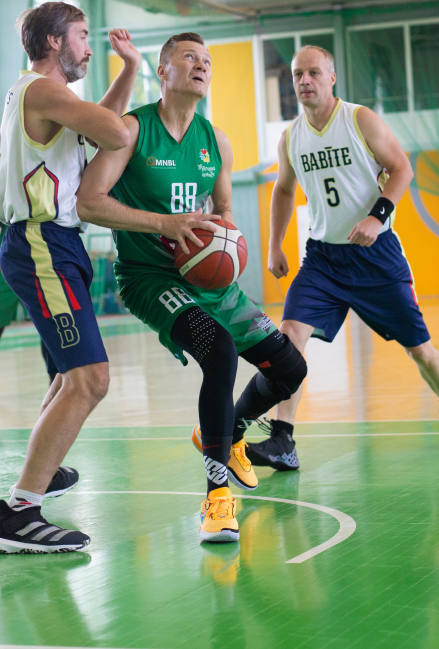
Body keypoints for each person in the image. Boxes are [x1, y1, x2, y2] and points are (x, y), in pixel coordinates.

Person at [78, 32, 308, 544]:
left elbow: (224, 211)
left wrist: (225, 235)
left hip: (207, 279)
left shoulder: (215, 140)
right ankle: (216, 499)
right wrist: (164, 224)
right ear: (163, 71)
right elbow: (88, 202)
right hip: (150, 277)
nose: (201, 65)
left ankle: (226, 433)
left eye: (207, 60)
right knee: (220, 353)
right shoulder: (133, 130)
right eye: (189, 58)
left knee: (291, 368)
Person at [255, 45, 439, 471]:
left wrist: (378, 216)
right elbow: (283, 190)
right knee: (289, 337)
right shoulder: (291, 137)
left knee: (420, 350)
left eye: (314, 72)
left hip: (376, 256)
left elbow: (402, 168)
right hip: (322, 259)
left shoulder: (359, 119)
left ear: (331, 78)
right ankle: (283, 439)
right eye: (298, 74)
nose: (304, 81)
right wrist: (274, 244)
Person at [0, 2, 138, 554]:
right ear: (53, 42)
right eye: (82, 35)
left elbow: (97, 127)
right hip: (42, 241)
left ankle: (37, 479)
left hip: (56, 243)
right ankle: (19, 514)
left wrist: (127, 73)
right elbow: (117, 134)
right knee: (90, 379)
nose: (90, 46)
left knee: (73, 375)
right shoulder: (41, 91)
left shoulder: (48, 98)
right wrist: (133, 82)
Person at [0, 197, 57, 396]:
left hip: (30, 271)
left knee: (45, 326)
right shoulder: (0, 203)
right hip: (1, 273)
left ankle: (54, 381)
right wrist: (4, 261)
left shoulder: (36, 200)